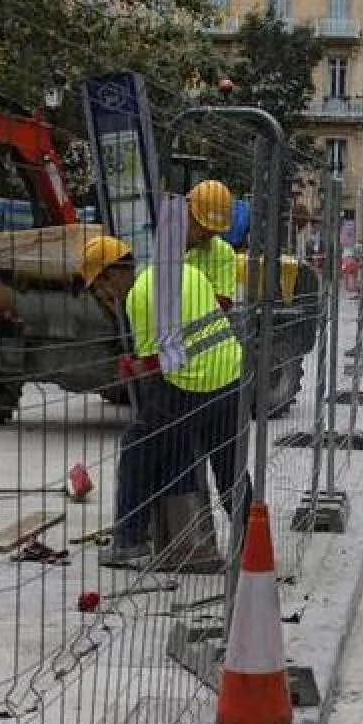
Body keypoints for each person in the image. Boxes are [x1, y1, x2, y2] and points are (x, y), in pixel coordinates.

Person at [82, 236, 250, 571]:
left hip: (191, 384)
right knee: (229, 467)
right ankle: (253, 542)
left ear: (111, 274)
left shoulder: (140, 296)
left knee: (138, 447)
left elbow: (157, 365)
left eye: (101, 289)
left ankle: (130, 542)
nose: (105, 298)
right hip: (230, 374)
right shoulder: (186, 271)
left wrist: (130, 368)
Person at [184, 179, 237, 312]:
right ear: (187, 211)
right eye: (203, 226)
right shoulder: (158, 240)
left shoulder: (224, 253)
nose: (208, 234)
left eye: (214, 231)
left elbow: (222, 304)